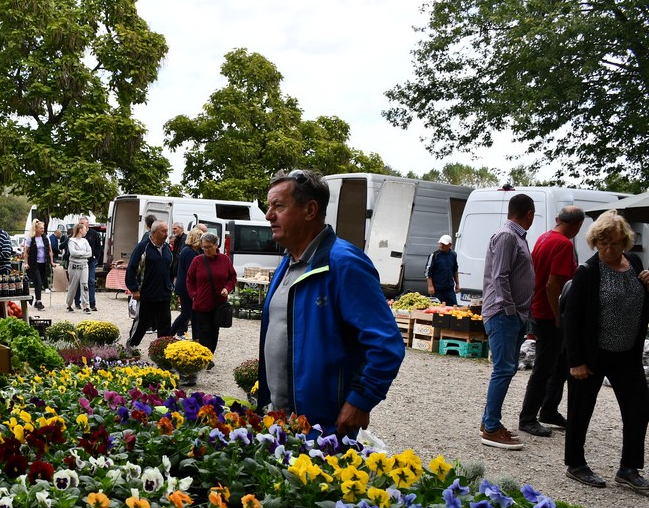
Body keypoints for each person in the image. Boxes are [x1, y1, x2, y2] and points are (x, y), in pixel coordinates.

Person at [257, 170, 404, 436]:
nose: (269, 215)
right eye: (269, 207)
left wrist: (361, 399)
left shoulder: (344, 263)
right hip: (281, 420)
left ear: (310, 210)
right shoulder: (288, 263)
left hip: (323, 428)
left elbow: (386, 343)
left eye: (278, 206)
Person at [563, 210, 649, 491]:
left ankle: (629, 468)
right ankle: (576, 464)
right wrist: (576, 361)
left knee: (639, 408)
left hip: (627, 353)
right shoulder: (588, 271)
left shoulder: (634, 263)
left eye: (614, 243)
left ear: (625, 242)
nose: (608, 249)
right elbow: (572, 319)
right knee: (580, 410)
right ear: (595, 243)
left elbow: (639, 302)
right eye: (603, 243)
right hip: (593, 354)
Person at [517, 206, 584, 437]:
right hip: (549, 314)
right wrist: (557, 316)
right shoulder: (564, 244)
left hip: (539, 308)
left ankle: (549, 409)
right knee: (544, 367)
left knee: (561, 363)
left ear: (558, 219)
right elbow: (552, 284)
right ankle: (528, 417)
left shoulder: (544, 237)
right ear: (578, 225)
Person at [479, 193, 536, 449]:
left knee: (507, 369)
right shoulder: (507, 236)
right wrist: (510, 309)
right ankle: (491, 428)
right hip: (504, 314)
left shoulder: (516, 236)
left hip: (513, 315)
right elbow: (499, 276)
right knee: (503, 370)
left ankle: (489, 422)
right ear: (529, 214)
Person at [186, 232, 236, 356]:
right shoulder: (197, 260)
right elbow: (189, 279)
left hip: (218, 304)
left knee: (214, 331)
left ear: (216, 245)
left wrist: (227, 288)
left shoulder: (225, 260)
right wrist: (194, 294)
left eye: (209, 247)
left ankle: (209, 355)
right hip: (201, 303)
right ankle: (205, 357)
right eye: (204, 247)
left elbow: (232, 277)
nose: (206, 250)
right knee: (204, 331)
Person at [125, 220, 173, 346]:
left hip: (164, 293)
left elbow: (171, 269)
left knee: (165, 324)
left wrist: (170, 285)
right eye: (163, 231)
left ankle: (162, 350)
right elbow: (131, 268)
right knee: (142, 323)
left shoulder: (167, 248)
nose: (166, 234)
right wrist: (134, 289)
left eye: (167, 231)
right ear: (154, 232)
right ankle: (131, 346)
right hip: (147, 293)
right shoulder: (143, 247)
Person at [170, 229, 203, 339]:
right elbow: (192, 271)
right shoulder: (189, 252)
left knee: (192, 313)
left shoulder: (193, 251)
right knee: (186, 313)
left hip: (186, 286)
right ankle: (170, 333)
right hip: (186, 287)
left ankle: (196, 336)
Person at [71, 216, 101, 311]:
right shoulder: (76, 236)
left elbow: (98, 247)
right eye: (80, 223)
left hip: (90, 261)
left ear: (87, 224)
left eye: (82, 223)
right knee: (78, 281)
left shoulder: (93, 233)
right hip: (79, 261)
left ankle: (92, 303)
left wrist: (96, 257)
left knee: (90, 281)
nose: (81, 225)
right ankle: (77, 301)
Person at [25, 220, 54, 310]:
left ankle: (36, 300)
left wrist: (52, 262)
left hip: (44, 263)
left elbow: (50, 251)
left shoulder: (46, 238)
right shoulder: (31, 239)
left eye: (43, 228)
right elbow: (26, 252)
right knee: (38, 281)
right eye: (41, 228)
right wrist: (26, 263)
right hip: (34, 263)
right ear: (36, 229)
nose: (43, 230)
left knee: (42, 280)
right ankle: (39, 301)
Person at [65, 221, 93, 313]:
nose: (86, 231)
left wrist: (80, 254)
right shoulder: (71, 241)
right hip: (74, 266)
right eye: (84, 229)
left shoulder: (85, 241)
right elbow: (73, 252)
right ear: (80, 230)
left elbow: (90, 253)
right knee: (73, 286)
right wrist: (83, 253)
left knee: (85, 285)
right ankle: (69, 304)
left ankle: (86, 305)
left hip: (84, 265)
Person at [425, 234, 459, 305]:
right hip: (437, 289)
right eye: (440, 244)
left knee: (453, 307)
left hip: (449, 289)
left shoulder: (453, 255)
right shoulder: (434, 255)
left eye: (444, 244)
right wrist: (430, 286)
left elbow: (455, 270)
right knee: (437, 308)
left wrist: (457, 284)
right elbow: (428, 272)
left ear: (450, 245)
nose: (441, 246)